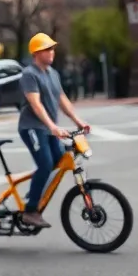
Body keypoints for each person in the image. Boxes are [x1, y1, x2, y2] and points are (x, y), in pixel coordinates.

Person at [18, 33, 89, 228]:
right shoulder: (29, 74)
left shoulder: (53, 74)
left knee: (58, 159)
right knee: (45, 164)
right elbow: (36, 104)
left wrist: (78, 121)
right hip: (32, 127)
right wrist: (53, 127)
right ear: (36, 52)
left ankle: (34, 191)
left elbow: (62, 100)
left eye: (52, 49)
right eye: (47, 49)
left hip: (48, 129)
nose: (52, 52)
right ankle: (30, 211)